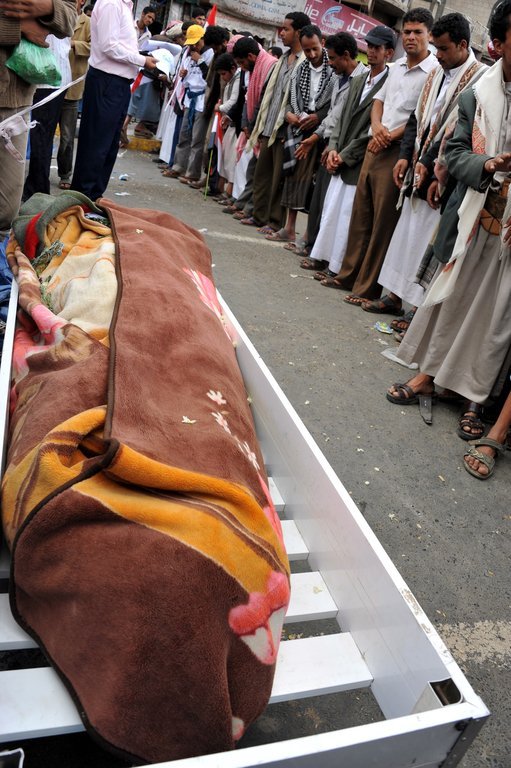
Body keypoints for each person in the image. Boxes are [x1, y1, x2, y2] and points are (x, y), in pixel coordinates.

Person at [386, 0, 511, 443]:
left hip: (509, 233)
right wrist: (488, 164)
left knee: (494, 318)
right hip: (474, 215)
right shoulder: (478, 94)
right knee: (450, 301)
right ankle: (428, 376)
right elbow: (454, 153)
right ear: (499, 43)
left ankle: (473, 398)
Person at [362, 13, 486, 325]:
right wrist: (406, 156)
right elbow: (418, 118)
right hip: (418, 163)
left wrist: (434, 167)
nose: (437, 55)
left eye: (443, 49)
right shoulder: (436, 74)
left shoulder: (479, 79)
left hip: (444, 172)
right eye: (436, 48)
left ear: (462, 45)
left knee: (427, 242)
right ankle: (394, 296)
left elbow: (458, 131)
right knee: (407, 233)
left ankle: (416, 311)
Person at [321, 8, 436, 305]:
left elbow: (420, 118)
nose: (411, 37)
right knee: (360, 217)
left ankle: (367, 288)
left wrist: (388, 135)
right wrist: (377, 128)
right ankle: (347, 276)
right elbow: (378, 103)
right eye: (407, 32)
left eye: (418, 32)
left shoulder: (434, 72)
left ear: (430, 36)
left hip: (398, 151)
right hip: (376, 144)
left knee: (382, 225)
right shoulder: (395, 68)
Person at [302, 26, 394, 278]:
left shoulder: (389, 83)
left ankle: (337, 268)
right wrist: (333, 148)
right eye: (370, 47)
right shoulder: (359, 80)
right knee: (331, 211)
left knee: (346, 218)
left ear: (389, 53)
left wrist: (345, 155)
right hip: (339, 154)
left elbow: (372, 129)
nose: (372, 52)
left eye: (377, 48)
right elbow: (340, 118)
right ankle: (322, 259)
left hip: (359, 159)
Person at [0, 0, 76, 237]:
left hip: (18, 100)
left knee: (7, 209)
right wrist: (18, 28)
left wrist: (47, 7)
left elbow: (69, 17)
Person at [70, 0, 158, 200]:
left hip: (119, 84)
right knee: (96, 144)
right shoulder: (111, 4)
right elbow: (109, 46)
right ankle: (81, 198)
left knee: (109, 145)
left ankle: (94, 197)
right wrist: (141, 60)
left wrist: (140, 58)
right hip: (107, 81)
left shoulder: (125, 6)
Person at [292, 31, 367, 259]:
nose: (330, 63)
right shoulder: (338, 78)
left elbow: (340, 117)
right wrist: (318, 137)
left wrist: (321, 140)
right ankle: (312, 244)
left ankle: (320, 251)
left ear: (346, 56)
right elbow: (331, 114)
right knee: (319, 198)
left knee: (331, 203)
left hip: (343, 148)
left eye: (333, 58)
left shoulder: (361, 80)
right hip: (329, 142)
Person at [264, 24, 335, 243]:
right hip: (298, 129)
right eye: (307, 50)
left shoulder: (333, 69)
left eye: (315, 49)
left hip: (323, 132)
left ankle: (308, 236)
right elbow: (289, 100)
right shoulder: (300, 70)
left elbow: (335, 104)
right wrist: (289, 115)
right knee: (294, 176)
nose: (311, 54)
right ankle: (289, 228)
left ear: (322, 43)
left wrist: (318, 117)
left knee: (316, 183)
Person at [241, 11, 311, 232]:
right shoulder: (281, 60)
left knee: (278, 179)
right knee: (261, 175)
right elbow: (266, 94)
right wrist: (257, 124)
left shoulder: (306, 63)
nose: (282, 33)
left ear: (298, 32)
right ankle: (259, 216)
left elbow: (304, 99)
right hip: (268, 126)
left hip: (285, 130)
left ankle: (274, 221)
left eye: (286, 29)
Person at [165, 23, 214, 183]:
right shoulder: (189, 54)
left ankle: (192, 172)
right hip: (189, 98)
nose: (194, 46)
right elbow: (186, 79)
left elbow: (210, 78)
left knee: (197, 138)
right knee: (184, 135)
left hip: (201, 99)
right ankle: (179, 166)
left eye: (196, 43)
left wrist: (200, 61)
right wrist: (183, 74)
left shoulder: (210, 54)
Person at [57, 0, 91, 189]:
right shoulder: (57, 15)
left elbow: (95, 47)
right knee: (43, 134)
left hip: (72, 86)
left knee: (67, 137)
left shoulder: (88, 22)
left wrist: (74, 44)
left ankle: (65, 174)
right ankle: (39, 173)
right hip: (52, 83)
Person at [214, 52, 240, 201]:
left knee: (232, 157)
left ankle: (229, 190)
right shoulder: (232, 79)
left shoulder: (238, 78)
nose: (223, 77)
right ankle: (224, 187)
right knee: (226, 154)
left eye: (224, 74)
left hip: (237, 123)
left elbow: (234, 101)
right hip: (230, 120)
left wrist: (220, 108)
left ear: (232, 69)